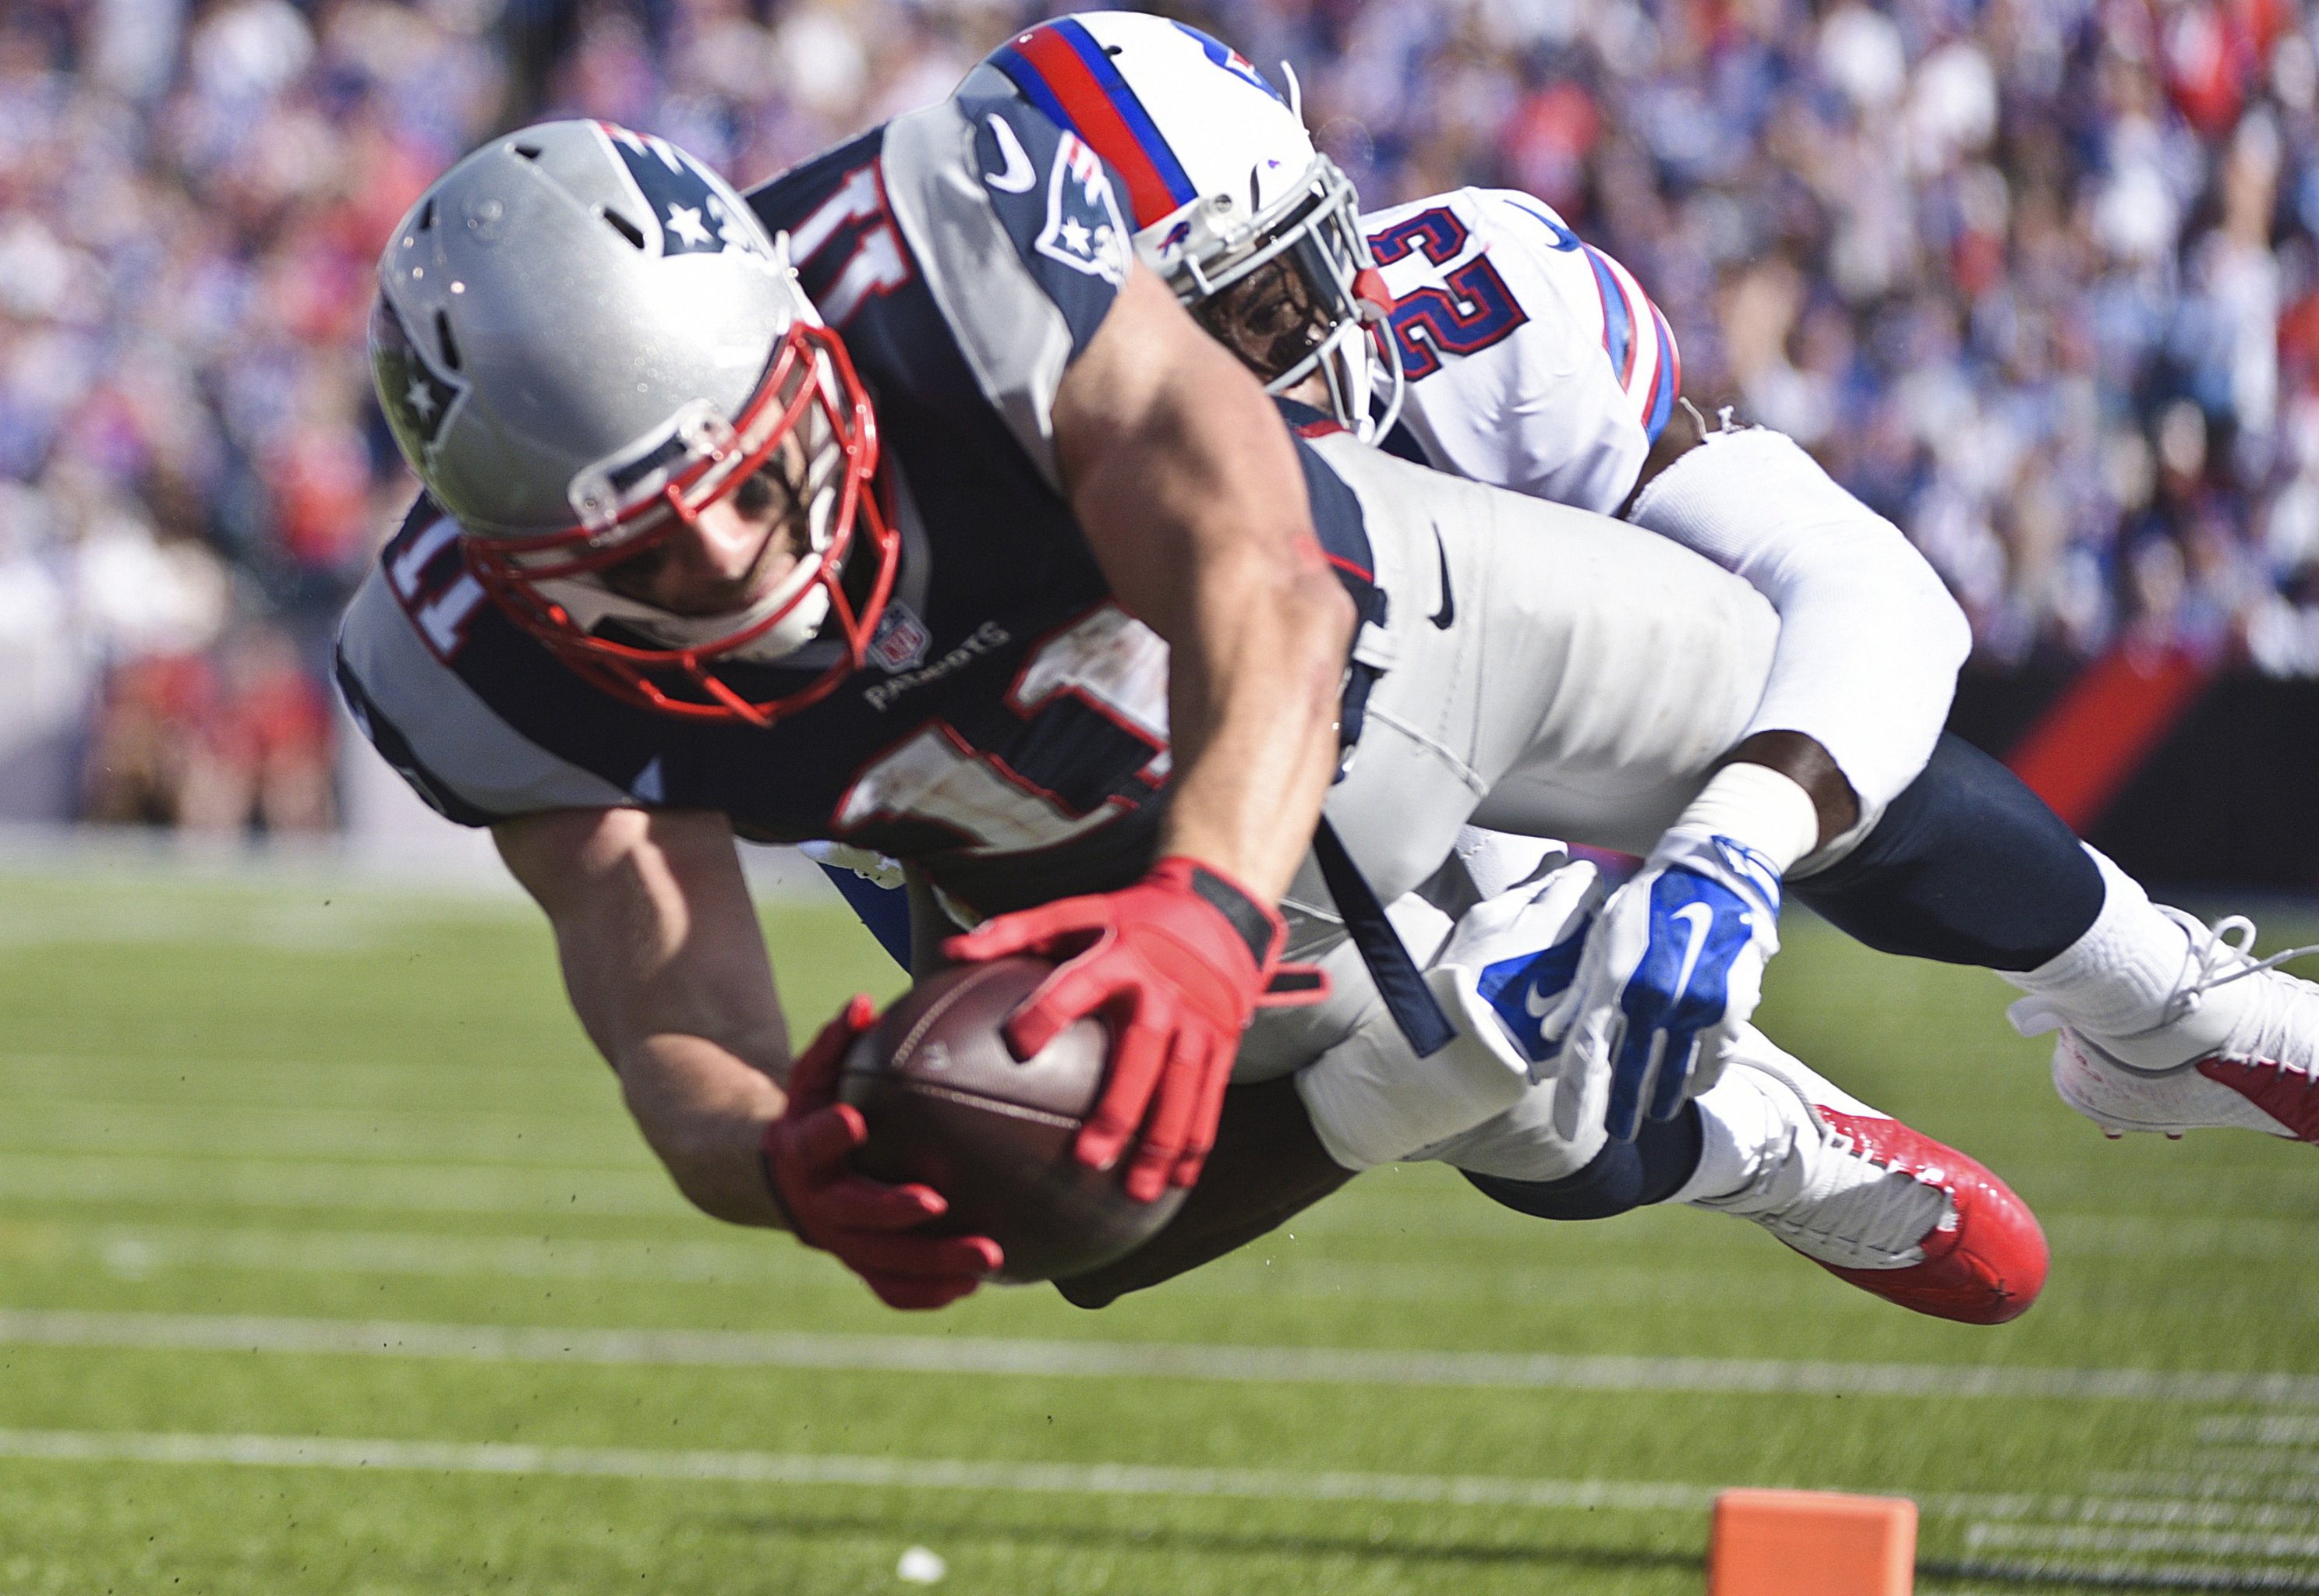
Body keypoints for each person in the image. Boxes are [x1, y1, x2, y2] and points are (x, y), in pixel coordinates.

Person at [338, 104, 2041, 1319]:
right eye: (633, 543)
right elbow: (671, 1036)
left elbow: (1270, 574)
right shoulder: (462, 659)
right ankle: (1737, 1134)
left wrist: (1208, 917)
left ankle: (2149, 981)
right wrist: (777, 1160)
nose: (720, 548)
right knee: (1060, 1208)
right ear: (519, 569)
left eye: (741, 471)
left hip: (1392, 605)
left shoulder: (940, 244)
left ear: (803, 358)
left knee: (1798, 706)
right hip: (1051, 807)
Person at [972, 12, 2319, 1168]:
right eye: (1216, 332)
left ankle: (2156, 999)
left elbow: (1867, 588)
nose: (1301, 350)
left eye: (1285, 280)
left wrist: (1734, 848)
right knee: (1440, 994)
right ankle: (1771, 1157)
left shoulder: (1474, 311)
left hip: (1522, 688)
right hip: (1298, 809)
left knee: (1755, 678)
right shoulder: (975, 541)